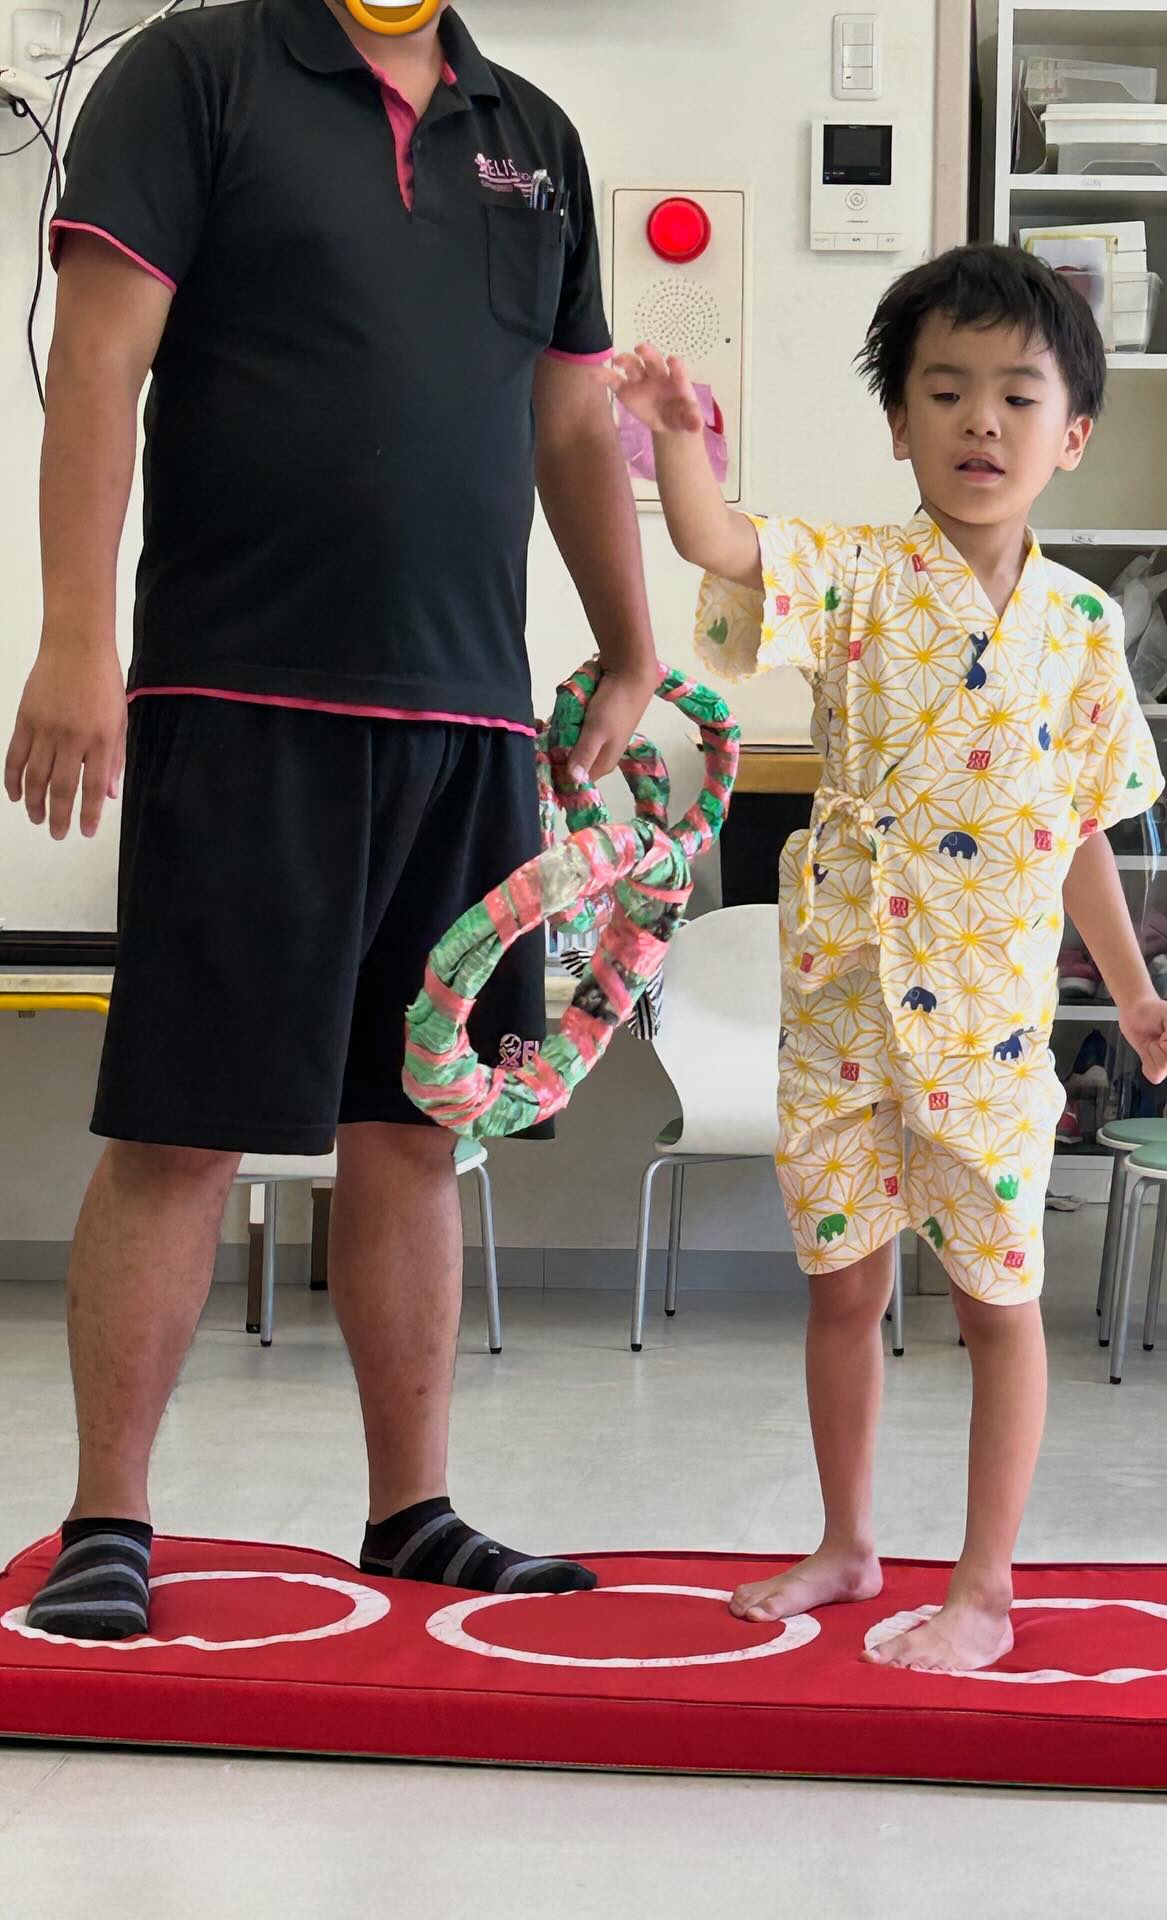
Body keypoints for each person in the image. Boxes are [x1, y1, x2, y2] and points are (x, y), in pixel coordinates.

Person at [5, 0, 657, 1639]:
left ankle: (411, 1512)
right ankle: (108, 1517)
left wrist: (631, 646)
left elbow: (573, 420)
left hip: (469, 715)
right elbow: (97, 362)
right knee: (183, 1129)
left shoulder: (533, 138)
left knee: (419, 1129)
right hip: (243, 696)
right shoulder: (196, 72)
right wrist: (76, 637)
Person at [608, 244, 1167, 1674]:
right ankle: (849, 1543)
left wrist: (1132, 991)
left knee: (999, 1303)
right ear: (899, 423)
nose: (979, 421)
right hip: (845, 1006)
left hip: (993, 1024)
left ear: (1072, 435)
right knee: (843, 1290)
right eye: (945, 391)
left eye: (1016, 396)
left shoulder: (1081, 628)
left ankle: (986, 1585)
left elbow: (1080, 831)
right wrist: (680, 438)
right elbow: (717, 541)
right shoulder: (858, 575)